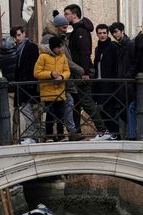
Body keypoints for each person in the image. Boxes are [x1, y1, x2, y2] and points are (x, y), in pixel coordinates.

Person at [64, 4, 109, 140]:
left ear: (74, 14)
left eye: (67, 14)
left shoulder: (81, 31)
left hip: (82, 73)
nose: (65, 16)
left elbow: (85, 53)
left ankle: (103, 131)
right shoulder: (77, 30)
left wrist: (84, 73)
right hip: (78, 72)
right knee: (76, 103)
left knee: (87, 102)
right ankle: (75, 133)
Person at [41, 12, 84, 141]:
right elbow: (39, 70)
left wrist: (64, 75)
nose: (66, 29)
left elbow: (64, 63)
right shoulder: (49, 40)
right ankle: (55, 134)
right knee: (52, 109)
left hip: (63, 81)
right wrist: (78, 69)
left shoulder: (61, 38)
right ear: (58, 26)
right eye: (64, 27)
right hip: (52, 84)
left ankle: (66, 133)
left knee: (64, 105)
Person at [33, 36, 71, 142]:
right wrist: (50, 74)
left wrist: (62, 77)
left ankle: (61, 135)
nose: (61, 49)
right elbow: (36, 73)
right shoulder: (43, 57)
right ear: (53, 48)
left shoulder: (62, 57)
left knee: (60, 115)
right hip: (48, 92)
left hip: (60, 90)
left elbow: (67, 71)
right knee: (50, 114)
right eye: (59, 47)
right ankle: (49, 136)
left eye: (61, 47)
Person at [8, 26, 40, 144]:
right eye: (15, 36)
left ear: (24, 34)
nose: (17, 38)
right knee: (27, 111)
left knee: (29, 112)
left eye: (19, 35)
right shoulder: (16, 49)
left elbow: (34, 66)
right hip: (21, 86)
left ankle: (32, 136)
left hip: (29, 85)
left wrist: (32, 83)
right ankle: (32, 136)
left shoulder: (31, 47)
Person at [93, 23, 120, 139]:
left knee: (110, 108)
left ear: (107, 33)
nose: (102, 35)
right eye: (100, 33)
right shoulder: (97, 48)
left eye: (104, 33)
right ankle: (109, 132)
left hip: (110, 83)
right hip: (99, 83)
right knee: (101, 108)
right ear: (97, 34)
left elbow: (116, 66)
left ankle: (115, 133)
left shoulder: (113, 47)